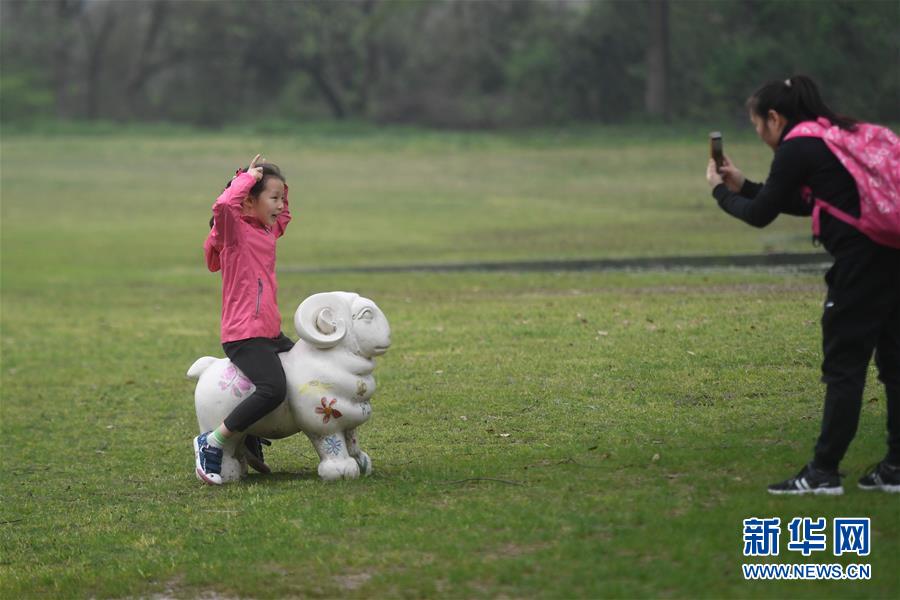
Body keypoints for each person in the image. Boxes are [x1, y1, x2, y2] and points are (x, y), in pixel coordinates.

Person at [705, 75, 900, 495]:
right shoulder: (836, 134)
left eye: (758, 126)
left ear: (774, 118)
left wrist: (721, 193)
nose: (760, 135)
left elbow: (760, 215)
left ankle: (823, 472)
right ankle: (896, 468)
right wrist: (744, 184)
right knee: (895, 365)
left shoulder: (796, 145)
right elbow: (814, 201)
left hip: (861, 268)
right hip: (892, 254)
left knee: (844, 368)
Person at [194, 154, 293, 485]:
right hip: (244, 335)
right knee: (274, 388)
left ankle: (250, 436)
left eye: (281, 198)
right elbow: (223, 206)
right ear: (249, 202)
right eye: (273, 198)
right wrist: (246, 179)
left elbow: (285, 216)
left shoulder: (266, 231)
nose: (280, 205)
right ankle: (213, 442)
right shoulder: (233, 233)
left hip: (269, 332)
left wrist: (277, 184)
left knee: (305, 371)